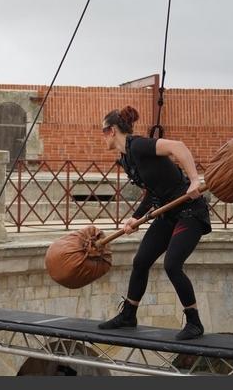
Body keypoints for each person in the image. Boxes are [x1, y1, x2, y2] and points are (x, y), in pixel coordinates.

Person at [97, 106, 210, 341]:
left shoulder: (138, 145)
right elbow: (152, 191)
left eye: (103, 131)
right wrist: (136, 218)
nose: (102, 136)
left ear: (113, 130)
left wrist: (194, 181)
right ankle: (129, 314)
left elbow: (178, 147)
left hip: (190, 211)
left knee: (172, 264)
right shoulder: (126, 160)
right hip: (167, 213)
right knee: (140, 261)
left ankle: (194, 321)